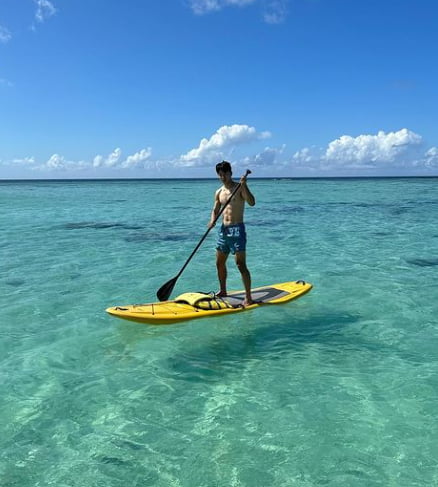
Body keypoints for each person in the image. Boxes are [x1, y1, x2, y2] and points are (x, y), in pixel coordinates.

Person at [208, 161, 256, 307]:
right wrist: (212, 221)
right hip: (223, 231)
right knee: (219, 263)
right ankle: (223, 290)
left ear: (231, 173)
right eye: (220, 175)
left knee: (240, 264)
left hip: (237, 229)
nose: (223, 177)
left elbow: (252, 202)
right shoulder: (219, 192)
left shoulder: (239, 188)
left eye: (225, 174)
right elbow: (215, 209)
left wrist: (244, 185)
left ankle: (248, 297)